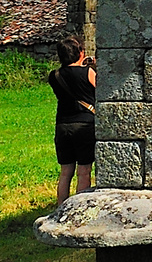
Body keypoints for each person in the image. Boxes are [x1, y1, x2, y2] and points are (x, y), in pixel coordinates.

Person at [47, 36, 95, 203]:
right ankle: (80, 207)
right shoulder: (88, 72)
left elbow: (71, 79)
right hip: (85, 124)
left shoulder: (54, 75)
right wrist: (94, 66)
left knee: (65, 171)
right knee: (84, 171)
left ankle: (61, 209)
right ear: (80, 52)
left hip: (62, 124)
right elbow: (98, 88)